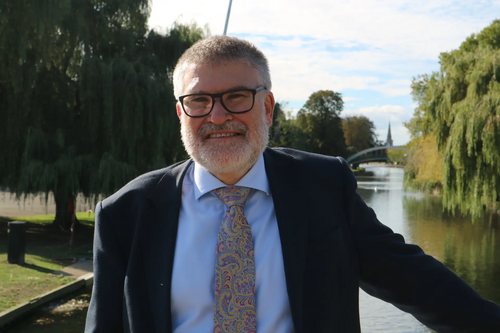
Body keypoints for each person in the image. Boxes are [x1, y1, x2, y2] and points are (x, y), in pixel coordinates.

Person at [85, 36, 500, 333]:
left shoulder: (323, 186)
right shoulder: (126, 214)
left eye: (236, 97)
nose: (216, 116)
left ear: (267, 106)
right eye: (198, 101)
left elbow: (415, 281)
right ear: (180, 113)